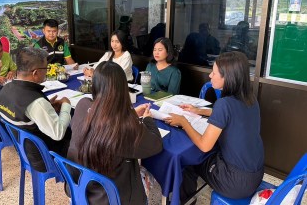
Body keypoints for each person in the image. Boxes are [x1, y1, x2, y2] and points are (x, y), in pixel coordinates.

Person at [164, 51, 264, 201]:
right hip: (256, 174)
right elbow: (228, 114)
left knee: (189, 159)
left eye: (214, 73)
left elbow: (204, 146)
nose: (210, 76)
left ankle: (183, 201)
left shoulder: (224, 103)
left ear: (227, 77)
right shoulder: (250, 98)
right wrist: (198, 110)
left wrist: (184, 122)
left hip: (235, 183)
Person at [67, 61, 163, 205]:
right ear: (123, 89)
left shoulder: (82, 105)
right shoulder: (123, 126)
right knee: (149, 173)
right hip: (110, 197)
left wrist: (131, 114)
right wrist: (148, 120)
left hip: (78, 188)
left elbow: (102, 118)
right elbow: (156, 144)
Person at [0, 47, 72, 172]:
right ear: (35, 73)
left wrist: (47, 106)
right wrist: (66, 106)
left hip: (24, 150)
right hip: (45, 157)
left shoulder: (4, 90)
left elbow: (24, 115)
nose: (47, 72)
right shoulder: (36, 102)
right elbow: (58, 134)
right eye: (46, 69)